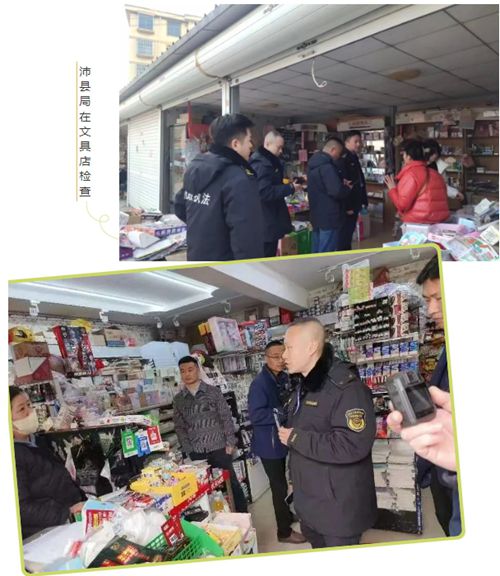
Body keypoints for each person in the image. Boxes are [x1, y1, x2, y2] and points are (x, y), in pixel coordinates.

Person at [278, 318, 377, 548]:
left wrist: (296, 438)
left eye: (289, 348)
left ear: (311, 347)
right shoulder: (304, 386)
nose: (283, 355)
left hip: (337, 510)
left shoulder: (346, 388)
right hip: (310, 504)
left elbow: (352, 444)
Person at [388, 255, 460, 537]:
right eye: (428, 300)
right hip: (446, 468)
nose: (431, 310)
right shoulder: (449, 344)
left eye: (438, 299)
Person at [174, 113, 265, 261]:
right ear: (235, 144)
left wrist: (204, 228)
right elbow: (247, 238)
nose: (251, 146)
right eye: (249, 140)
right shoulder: (239, 179)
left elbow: (179, 205)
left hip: (196, 256)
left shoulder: (195, 167)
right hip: (225, 265)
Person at [247, 341, 306, 544]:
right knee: (278, 487)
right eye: (275, 356)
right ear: (266, 358)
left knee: (283, 482)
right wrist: (283, 411)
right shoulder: (259, 384)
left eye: (283, 354)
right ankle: (284, 532)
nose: (280, 359)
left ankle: (287, 515)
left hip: (279, 440)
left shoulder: (282, 377)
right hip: (268, 445)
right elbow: (256, 416)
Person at [173, 356, 248, 513]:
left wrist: (230, 443)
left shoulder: (213, 392)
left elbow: (226, 418)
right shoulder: (179, 399)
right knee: (204, 490)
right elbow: (180, 427)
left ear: (198, 370)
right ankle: (215, 521)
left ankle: (243, 516)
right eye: (182, 371)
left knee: (231, 484)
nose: (187, 374)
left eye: (190, 370)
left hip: (220, 448)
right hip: (197, 453)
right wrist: (188, 450)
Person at [10, 386, 86, 540]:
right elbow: (21, 509)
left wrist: (83, 500)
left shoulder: (37, 441)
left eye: (29, 405)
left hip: (73, 518)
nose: (30, 412)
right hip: (47, 534)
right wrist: (67, 513)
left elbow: (59, 478)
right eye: (22, 409)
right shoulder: (14, 455)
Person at [250, 131, 302, 258]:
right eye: (278, 147)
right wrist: (290, 188)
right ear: (267, 144)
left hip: (271, 218)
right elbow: (264, 192)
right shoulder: (261, 164)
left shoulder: (271, 162)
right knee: (265, 257)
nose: (281, 151)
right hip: (265, 220)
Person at [384, 139, 449, 224]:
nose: (403, 157)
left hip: (418, 222)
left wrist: (392, 189)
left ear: (408, 156)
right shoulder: (436, 174)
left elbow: (402, 205)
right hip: (438, 222)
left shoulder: (412, 174)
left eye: (404, 154)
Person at [307, 138, 352, 253]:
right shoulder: (327, 167)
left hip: (316, 215)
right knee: (326, 252)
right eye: (339, 153)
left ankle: (315, 265)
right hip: (330, 217)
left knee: (316, 248)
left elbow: (323, 186)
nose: (339, 157)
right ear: (333, 150)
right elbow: (336, 191)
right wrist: (347, 188)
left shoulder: (312, 163)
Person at [338, 131, 368, 251]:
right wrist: (348, 206)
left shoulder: (353, 156)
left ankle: (347, 253)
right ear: (347, 142)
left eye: (359, 141)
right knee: (344, 235)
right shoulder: (343, 158)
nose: (358, 144)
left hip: (356, 201)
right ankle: (343, 255)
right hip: (349, 204)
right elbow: (344, 184)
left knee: (349, 234)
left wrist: (363, 200)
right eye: (355, 141)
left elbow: (359, 180)